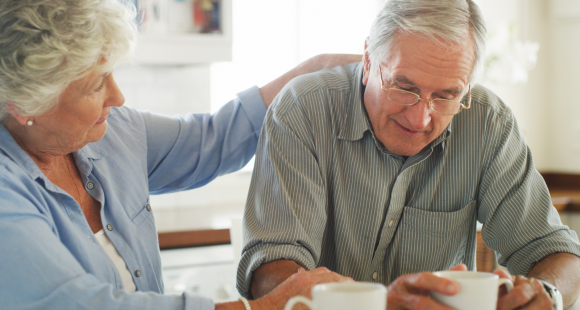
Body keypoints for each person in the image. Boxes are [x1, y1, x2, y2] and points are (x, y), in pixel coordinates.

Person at [0, 0, 359, 309]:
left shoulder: (112, 133)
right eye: (95, 86)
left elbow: (213, 140)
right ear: (25, 104)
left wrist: (314, 68)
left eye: (111, 74)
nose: (117, 97)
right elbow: (87, 304)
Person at [238, 0, 580, 309]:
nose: (421, 119)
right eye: (404, 88)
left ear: (467, 87)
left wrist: (548, 295)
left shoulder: (488, 122)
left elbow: (558, 254)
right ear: (369, 61)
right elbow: (271, 272)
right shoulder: (303, 109)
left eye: (446, 95)